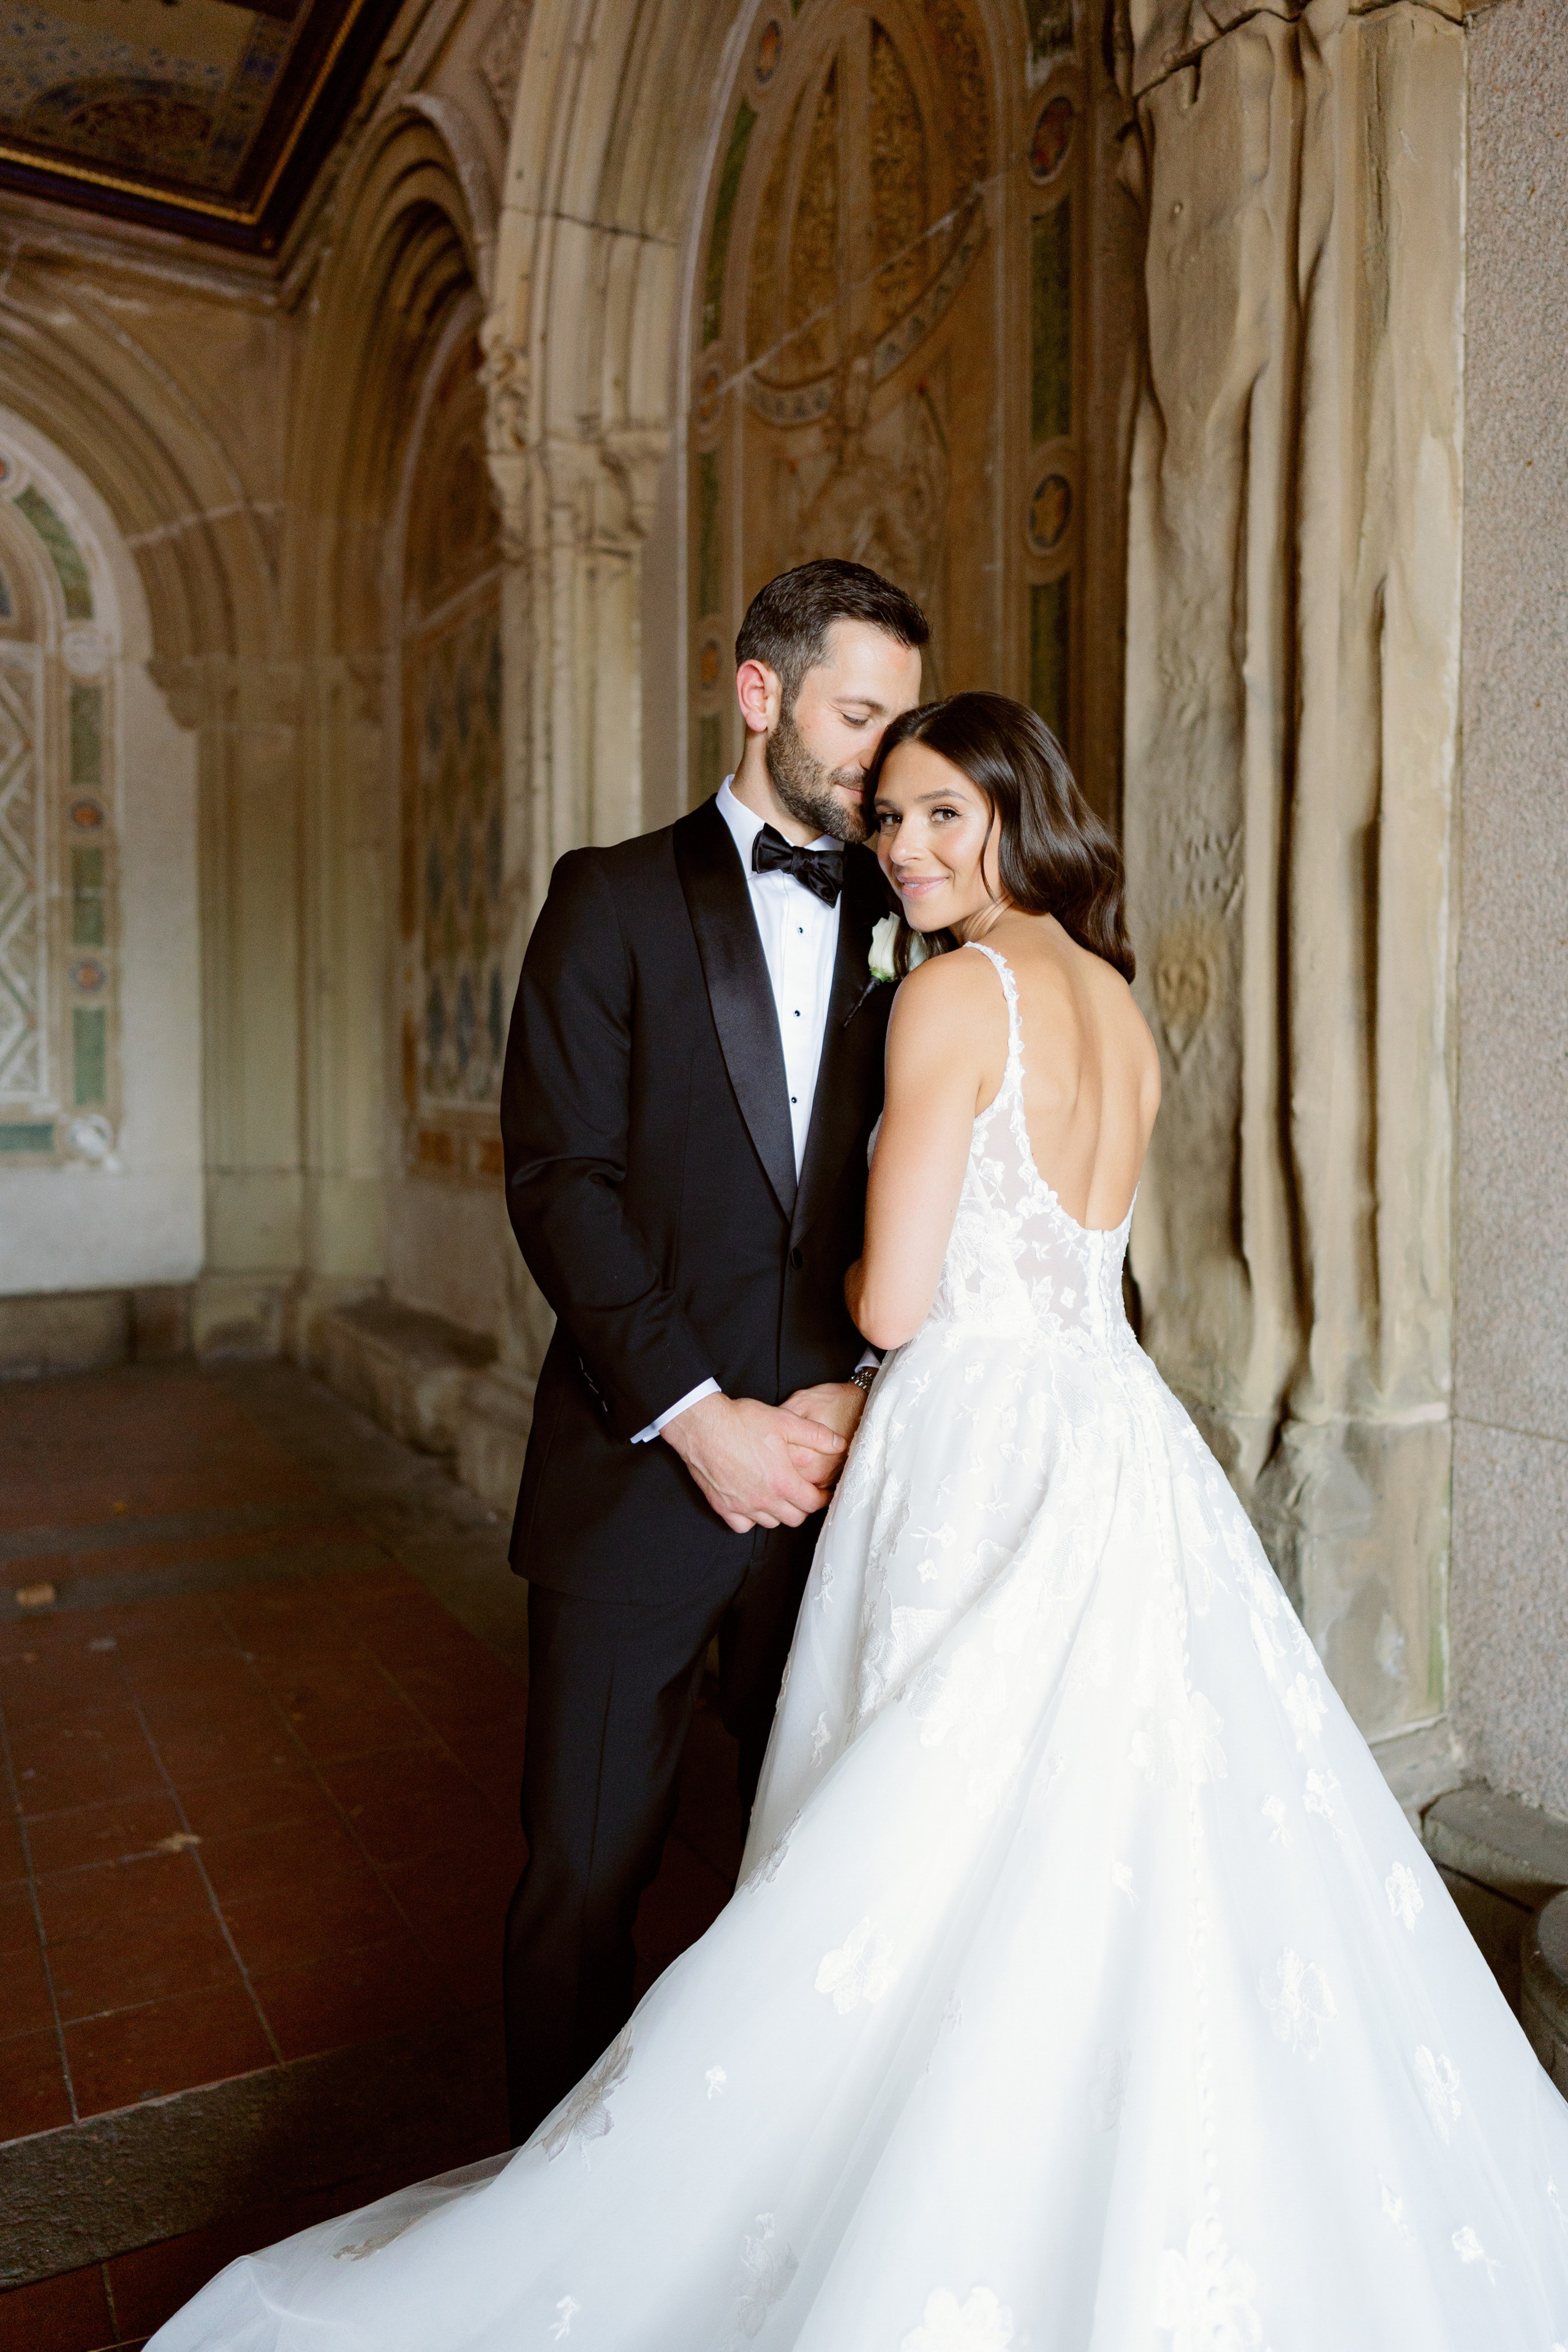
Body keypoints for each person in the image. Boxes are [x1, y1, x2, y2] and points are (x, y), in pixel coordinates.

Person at [150, 692, 1568, 2351]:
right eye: (886, 818)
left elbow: (895, 1295)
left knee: (927, 1829)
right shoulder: (1118, 1002)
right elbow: (1098, 1269)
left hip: (970, 1437)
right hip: (1116, 1439)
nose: (902, 849)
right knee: (1120, 1823)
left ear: (1020, 815)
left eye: (941, 816)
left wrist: (833, 1330)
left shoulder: (956, 998)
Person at [496, 557, 926, 2144]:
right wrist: (697, 1418)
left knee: (809, 1880)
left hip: (846, 1488)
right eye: (858, 716)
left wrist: (864, 1398)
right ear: (759, 694)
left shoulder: (919, 917)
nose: (888, 764)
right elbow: (561, 1184)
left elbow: (946, 1189)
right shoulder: (608, 898)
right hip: (638, 1480)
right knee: (584, 1879)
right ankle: (546, 2226)